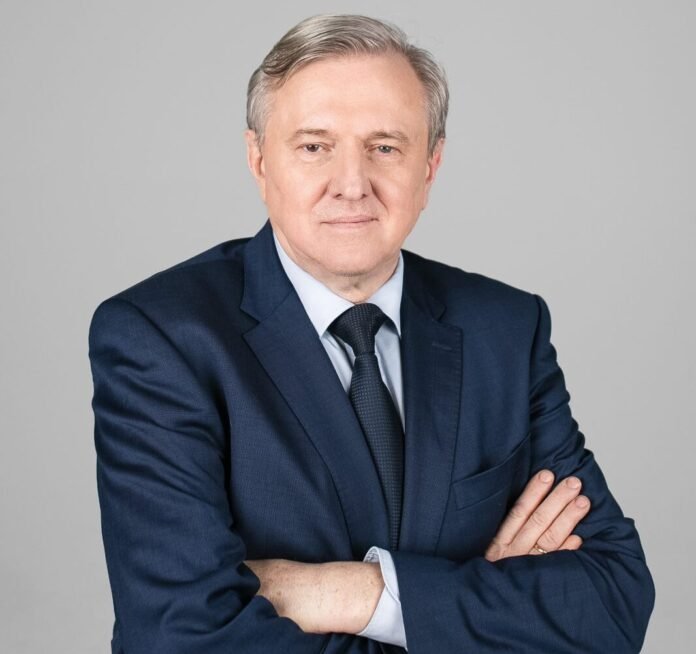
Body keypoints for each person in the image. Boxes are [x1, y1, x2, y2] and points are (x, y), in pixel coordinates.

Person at [88, 14, 654, 654]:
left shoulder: (505, 330)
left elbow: (613, 602)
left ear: (430, 166)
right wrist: (472, 614)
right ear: (259, 160)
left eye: (385, 147)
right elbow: (180, 639)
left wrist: (349, 593)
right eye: (314, 147)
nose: (352, 184)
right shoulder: (160, 339)